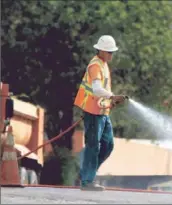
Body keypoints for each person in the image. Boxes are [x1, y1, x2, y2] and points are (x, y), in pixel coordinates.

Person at [74, 35, 127, 191]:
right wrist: (112, 96)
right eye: (109, 52)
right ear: (101, 51)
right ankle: (87, 181)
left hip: (103, 112)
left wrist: (111, 101)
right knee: (93, 146)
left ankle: (86, 173)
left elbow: (101, 90)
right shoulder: (95, 65)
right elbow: (96, 89)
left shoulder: (104, 64)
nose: (111, 55)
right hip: (93, 112)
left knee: (108, 145)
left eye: (112, 52)